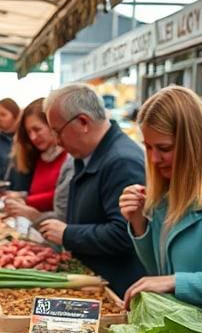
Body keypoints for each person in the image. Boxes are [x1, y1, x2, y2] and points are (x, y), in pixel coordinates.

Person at [117, 86, 202, 331]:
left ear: (193, 142)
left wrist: (176, 282)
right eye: (148, 147)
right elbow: (157, 271)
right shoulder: (171, 186)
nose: (154, 159)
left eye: (164, 148)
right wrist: (138, 222)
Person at [42, 84, 145, 297]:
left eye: (58, 131)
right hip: (96, 283)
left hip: (116, 290)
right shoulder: (89, 156)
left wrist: (68, 234)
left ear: (83, 122)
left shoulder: (122, 162)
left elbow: (124, 235)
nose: (58, 142)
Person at [3, 97, 73, 226]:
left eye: (37, 129)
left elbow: (61, 199)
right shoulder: (42, 155)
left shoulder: (70, 157)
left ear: (52, 125)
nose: (33, 137)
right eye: (29, 132)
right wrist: (21, 196)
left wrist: (26, 201)